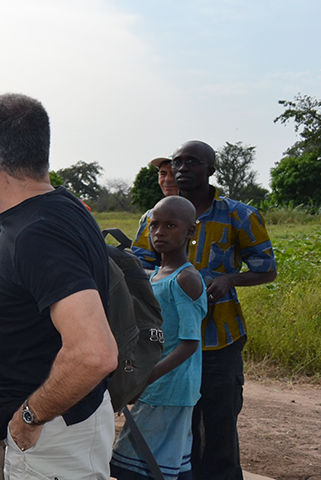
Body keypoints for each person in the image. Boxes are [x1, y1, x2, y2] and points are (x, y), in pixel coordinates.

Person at [0, 93, 118, 478]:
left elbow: (94, 353)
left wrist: (30, 417)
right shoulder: (59, 207)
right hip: (67, 423)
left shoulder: (37, 233)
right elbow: (28, 273)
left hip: (53, 434)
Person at [131, 140, 277, 480]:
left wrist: (229, 280)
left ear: (211, 169)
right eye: (177, 162)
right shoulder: (155, 216)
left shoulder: (239, 215)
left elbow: (266, 268)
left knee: (219, 428)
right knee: (177, 428)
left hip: (218, 342)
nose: (181, 168)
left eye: (192, 162)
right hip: (169, 343)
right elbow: (139, 267)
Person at [111, 196, 207, 480]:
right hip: (158, 386)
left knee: (140, 463)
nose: (159, 233)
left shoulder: (185, 279)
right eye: (154, 225)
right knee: (170, 462)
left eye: (170, 225)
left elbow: (190, 343)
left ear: (191, 231)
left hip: (171, 389)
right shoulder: (155, 276)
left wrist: (143, 379)